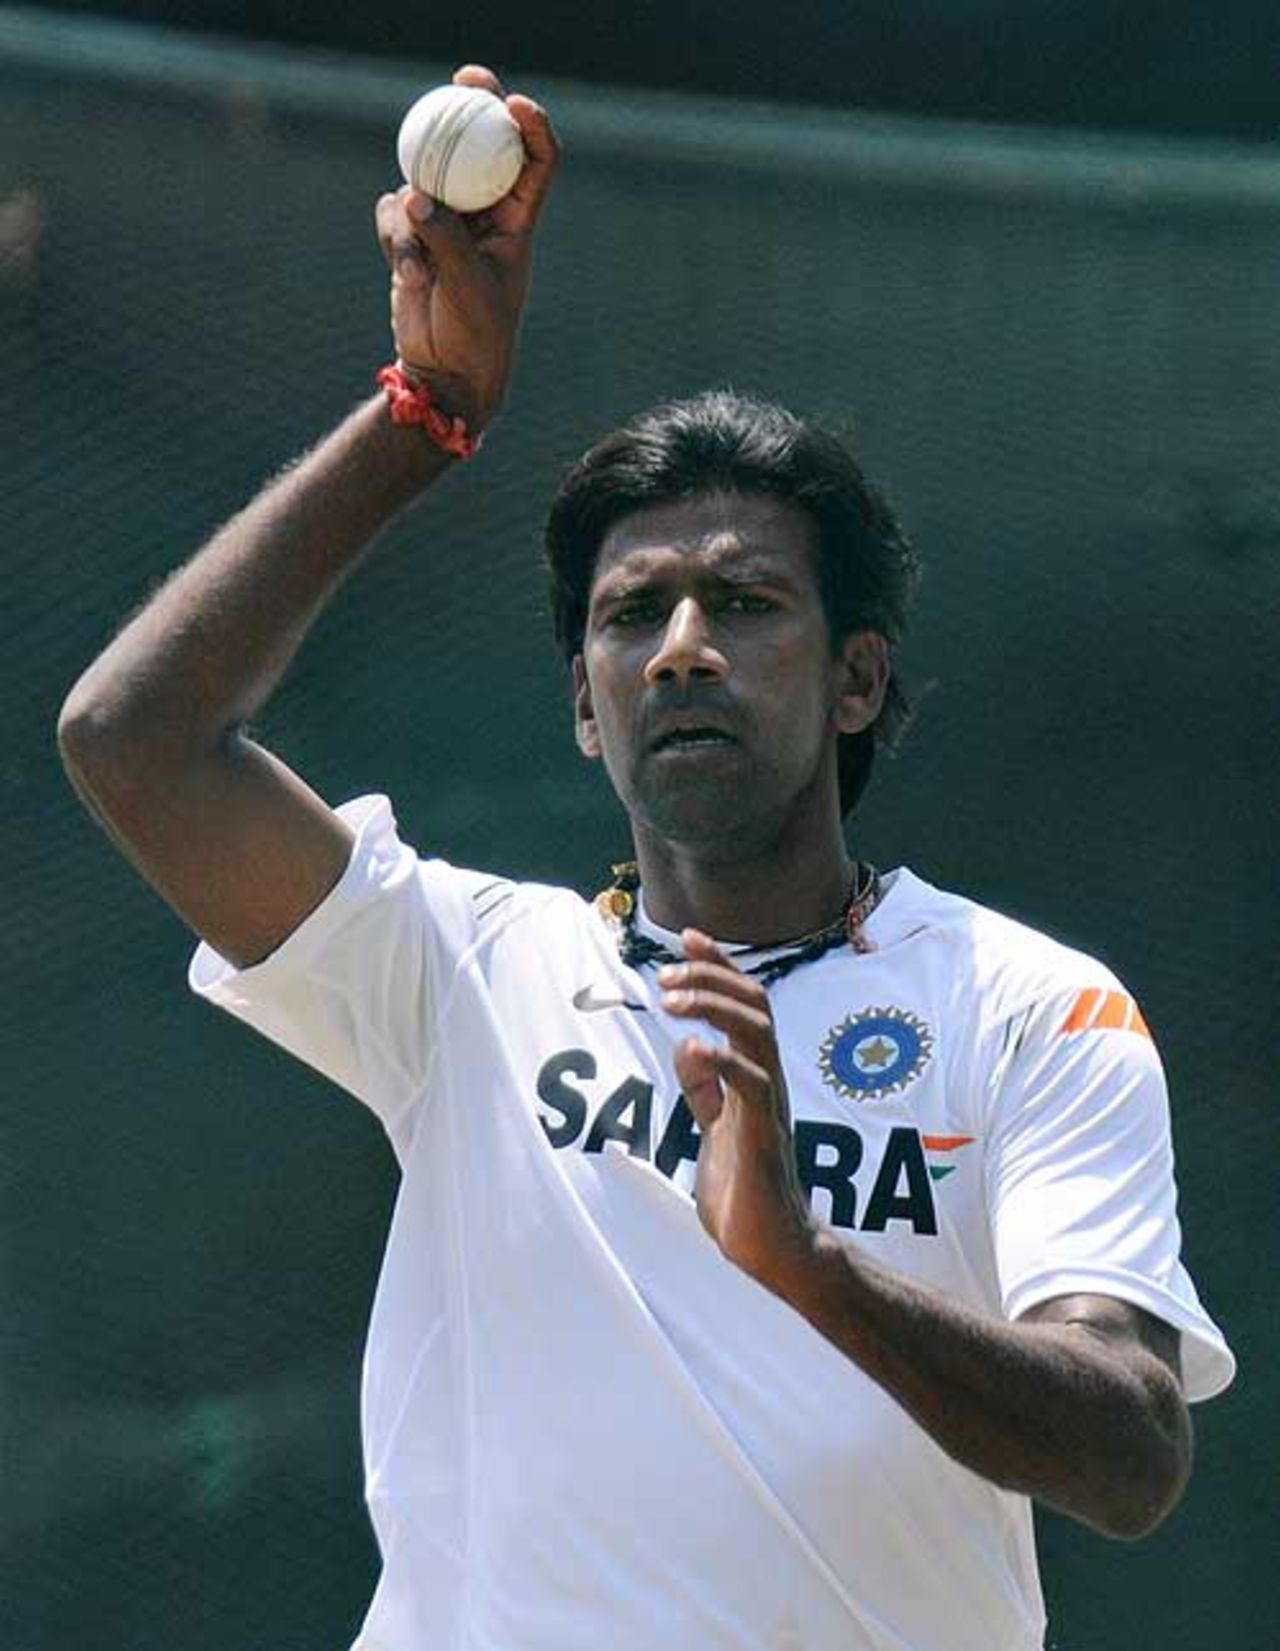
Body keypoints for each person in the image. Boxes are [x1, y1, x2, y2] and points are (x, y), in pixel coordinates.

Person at [58, 62, 1234, 1651]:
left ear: (859, 680)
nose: (681, 650)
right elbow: (135, 742)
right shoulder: (460, 973)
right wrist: (424, 422)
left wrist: (810, 1268)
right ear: (586, 713)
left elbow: (1132, 1449)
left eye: (744, 604)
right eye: (631, 617)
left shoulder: (1028, 1005)